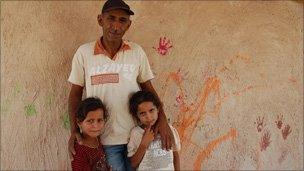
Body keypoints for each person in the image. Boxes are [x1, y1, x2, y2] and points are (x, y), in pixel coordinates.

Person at [68, 0, 174, 170]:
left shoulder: (136, 52)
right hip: (106, 140)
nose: (115, 26)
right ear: (100, 20)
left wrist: (163, 121)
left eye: (122, 20)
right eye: (111, 18)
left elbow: (149, 90)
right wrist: (75, 130)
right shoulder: (84, 53)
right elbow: (74, 95)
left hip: (139, 136)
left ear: (128, 25)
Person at [127, 90, 181, 170]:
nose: (148, 117)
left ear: (158, 109)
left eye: (151, 110)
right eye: (142, 113)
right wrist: (144, 144)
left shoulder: (168, 130)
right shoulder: (136, 133)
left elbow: (175, 155)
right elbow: (133, 164)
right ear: (136, 115)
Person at [71, 97, 110, 171]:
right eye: (90, 121)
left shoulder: (98, 139)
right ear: (79, 122)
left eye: (99, 120)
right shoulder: (79, 150)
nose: (96, 126)